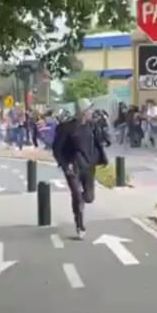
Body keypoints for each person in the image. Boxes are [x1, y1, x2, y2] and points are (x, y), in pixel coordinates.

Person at [51, 101, 103, 239]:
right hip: (72, 165)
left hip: (88, 166)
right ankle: (79, 225)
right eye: (89, 110)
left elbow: (98, 143)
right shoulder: (67, 128)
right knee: (77, 196)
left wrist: (100, 158)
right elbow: (57, 149)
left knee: (89, 198)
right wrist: (64, 164)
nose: (92, 112)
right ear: (82, 112)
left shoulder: (92, 126)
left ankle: (82, 199)